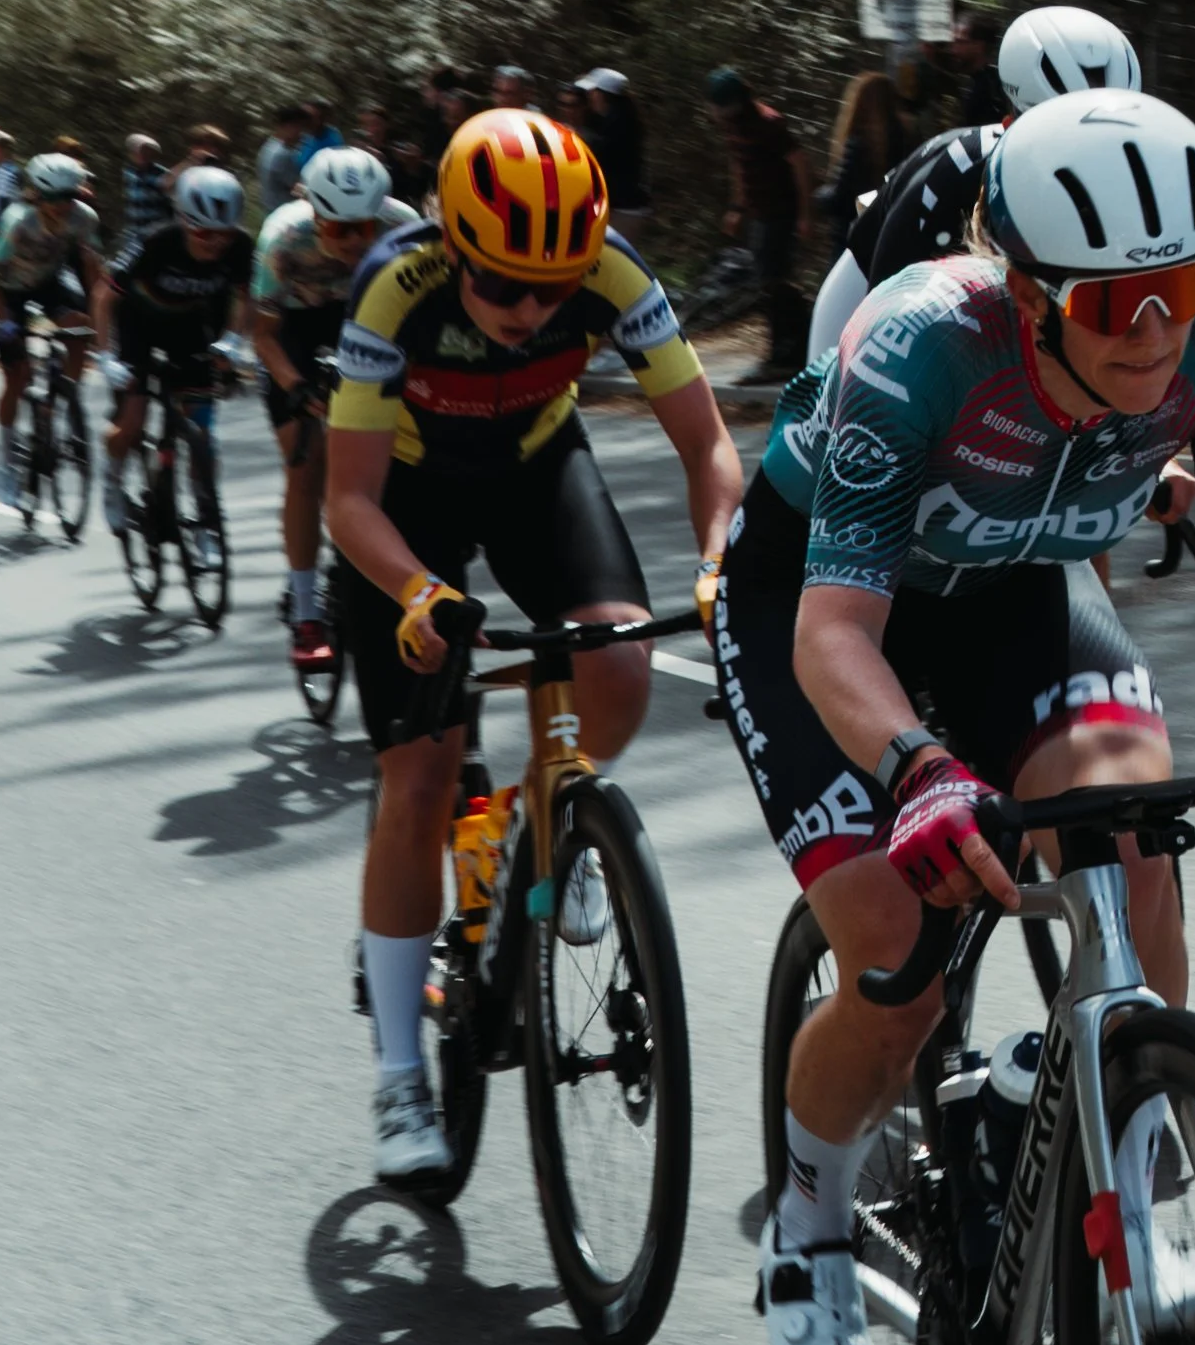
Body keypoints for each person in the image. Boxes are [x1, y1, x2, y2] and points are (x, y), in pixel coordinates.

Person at [712, 88, 1195, 1345]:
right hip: (820, 606)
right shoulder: (914, 342)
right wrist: (917, 770)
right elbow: (835, 632)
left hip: (1015, 585)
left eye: (1178, 285)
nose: (1152, 331)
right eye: (1107, 306)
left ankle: (1131, 1148)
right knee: (895, 962)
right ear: (1026, 294)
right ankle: (804, 1233)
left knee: (1128, 822)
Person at [326, 108, 742, 1185]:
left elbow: (707, 444)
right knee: (417, 779)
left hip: (533, 468)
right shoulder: (392, 287)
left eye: (553, 291)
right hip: (405, 502)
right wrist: (418, 594)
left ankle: (541, 823)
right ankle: (400, 1075)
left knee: (619, 658)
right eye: (503, 286)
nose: (531, 309)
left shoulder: (612, 276)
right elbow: (348, 499)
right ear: (454, 251)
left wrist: (716, 563)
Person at [807, 6, 1140, 360]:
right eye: (1066, 139)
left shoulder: (1135, 169)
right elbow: (884, 299)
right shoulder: (958, 174)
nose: (1091, 158)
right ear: (1012, 124)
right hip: (872, 277)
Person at [251, 145, 421, 666]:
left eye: (364, 228)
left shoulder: (404, 226)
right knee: (306, 467)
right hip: (295, 334)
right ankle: (305, 613)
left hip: (366, 318)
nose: (353, 241)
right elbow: (262, 334)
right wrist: (297, 388)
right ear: (313, 213)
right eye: (339, 229)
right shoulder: (283, 238)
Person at [101, 168, 256, 531]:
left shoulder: (241, 247)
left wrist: (233, 340)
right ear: (184, 222)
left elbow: (248, 297)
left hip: (187, 325)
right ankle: (112, 481)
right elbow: (103, 296)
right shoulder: (156, 241)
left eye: (224, 234)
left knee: (202, 433)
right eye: (203, 233)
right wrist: (105, 354)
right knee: (132, 424)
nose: (215, 243)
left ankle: (205, 519)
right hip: (136, 324)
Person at [0, 151, 109, 507]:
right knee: (17, 375)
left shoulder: (84, 218)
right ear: (37, 195)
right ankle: (7, 460)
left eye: (70, 196)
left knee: (79, 328)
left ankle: (64, 395)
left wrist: (98, 319)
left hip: (50, 281)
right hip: (9, 289)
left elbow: (92, 269)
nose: (63, 205)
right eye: (54, 198)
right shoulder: (17, 221)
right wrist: (4, 319)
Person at [708, 68, 813, 378]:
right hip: (759, 215)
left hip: (779, 213)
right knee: (769, 282)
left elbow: (801, 165)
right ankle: (788, 348)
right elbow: (739, 165)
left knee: (774, 282)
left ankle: (788, 353)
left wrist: (806, 215)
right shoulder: (734, 125)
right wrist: (737, 207)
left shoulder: (768, 124)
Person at [817, 72, 908, 260]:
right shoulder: (906, 139)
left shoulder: (857, 145)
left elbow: (842, 199)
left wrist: (819, 195)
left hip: (851, 238)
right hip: (887, 235)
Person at [570, 68, 652, 233]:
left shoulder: (621, 125)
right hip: (615, 204)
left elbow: (600, 154)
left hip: (625, 208)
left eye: (593, 92)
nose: (590, 96)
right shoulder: (605, 121)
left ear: (603, 95)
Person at [947, 11, 1009, 126]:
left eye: (960, 42)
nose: (953, 50)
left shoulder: (990, 90)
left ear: (979, 46)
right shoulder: (967, 82)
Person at [121, 133, 172, 244]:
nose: (141, 154)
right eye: (138, 150)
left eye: (146, 151)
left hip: (157, 233)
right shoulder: (129, 173)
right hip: (134, 232)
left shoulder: (162, 174)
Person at [257, 107, 307, 215]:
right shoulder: (283, 154)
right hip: (284, 214)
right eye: (299, 127)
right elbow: (297, 188)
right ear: (287, 126)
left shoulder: (268, 146)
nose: (301, 133)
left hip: (269, 210)